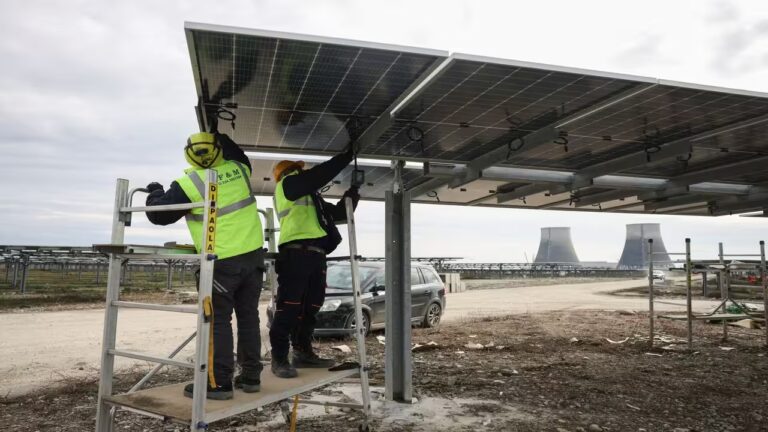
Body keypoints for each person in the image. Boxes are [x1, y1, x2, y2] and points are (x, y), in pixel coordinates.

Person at [145, 132, 264, 400]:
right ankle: (251, 377)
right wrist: (217, 130)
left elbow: (157, 215)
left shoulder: (190, 183)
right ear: (219, 150)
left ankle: (218, 383)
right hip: (253, 260)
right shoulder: (239, 169)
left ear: (189, 154)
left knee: (217, 321)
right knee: (248, 318)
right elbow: (238, 152)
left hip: (220, 263)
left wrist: (155, 191)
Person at [269, 146, 360, 378]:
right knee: (289, 307)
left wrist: (353, 193)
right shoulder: (287, 185)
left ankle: (303, 353)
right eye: (299, 170)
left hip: (316, 255)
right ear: (289, 172)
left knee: (311, 307)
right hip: (296, 253)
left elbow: (339, 215)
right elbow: (317, 176)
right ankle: (279, 359)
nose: (303, 172)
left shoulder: (311, 198)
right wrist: (344, 156)